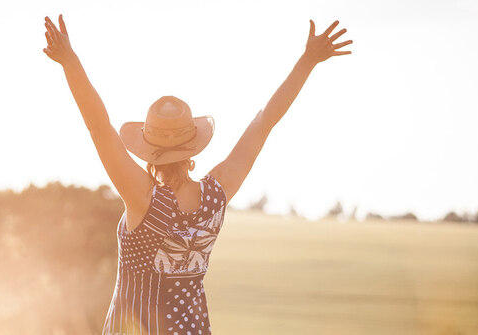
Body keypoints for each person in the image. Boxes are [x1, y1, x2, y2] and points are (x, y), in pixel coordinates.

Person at [42, 14, 352, 335]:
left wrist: (70, 62)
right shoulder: (217, 195)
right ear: (192, 148)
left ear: (148, 150)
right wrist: (307, 61)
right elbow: (264, 122)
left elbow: (98, 128)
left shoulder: (143, 199)